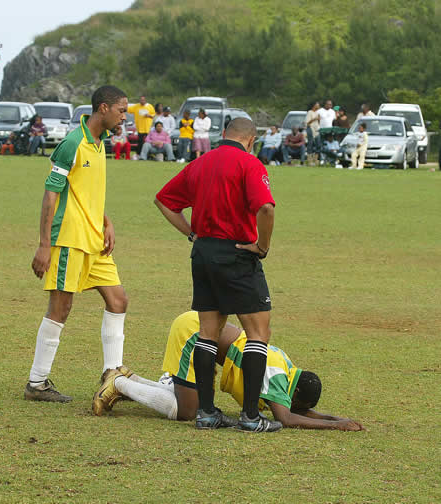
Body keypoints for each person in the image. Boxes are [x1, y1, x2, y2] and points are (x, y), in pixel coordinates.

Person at [154, 117, 281, 433]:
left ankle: (207, 413)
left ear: (224, 134)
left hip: (203, 254)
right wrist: (262, 246)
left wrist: (191, 233)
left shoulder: (200, 163)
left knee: (208, 332)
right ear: (251, 140)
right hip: (237, 252)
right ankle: (250, 417)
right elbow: (266, 208)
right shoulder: (249, 164)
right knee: (258, 333)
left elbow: (163, 200)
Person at [26, 85, 130, 403]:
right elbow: (51, 194)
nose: (124, 117)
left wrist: (106, 221)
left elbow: (86, 191)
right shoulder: (73, 144)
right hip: (68, 240)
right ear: (103, 108)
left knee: (118, 301)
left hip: (95, 241)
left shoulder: (100, 143)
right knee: (61, 308)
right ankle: (37, 382)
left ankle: (112, 378)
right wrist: (44, 245)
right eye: (121, 110)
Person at [93, 312, 364, 431]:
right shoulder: (276, 376)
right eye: (299, 405)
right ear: (295, 395)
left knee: (191, 401)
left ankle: (129, 378)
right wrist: (334, 426)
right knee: (187, 412)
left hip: (200, 329)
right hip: (194, 334)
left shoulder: (287, 370)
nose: (295, 408)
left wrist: (337, 418)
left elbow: (296, 411)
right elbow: (287, 418)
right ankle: (119, 383)